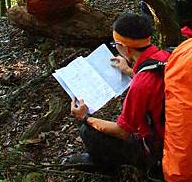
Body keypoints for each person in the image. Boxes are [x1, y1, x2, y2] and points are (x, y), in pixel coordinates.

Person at [66, 11, 170, 173]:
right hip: (171, 132)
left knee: (88, 131)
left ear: (125, 48)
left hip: (156, 149)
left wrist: (85, 118)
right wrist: (129, 70)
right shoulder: (165, 56)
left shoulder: (140, 85)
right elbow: (154, 84)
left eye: (116, 45)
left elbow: (122, 131)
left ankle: (108, 168)